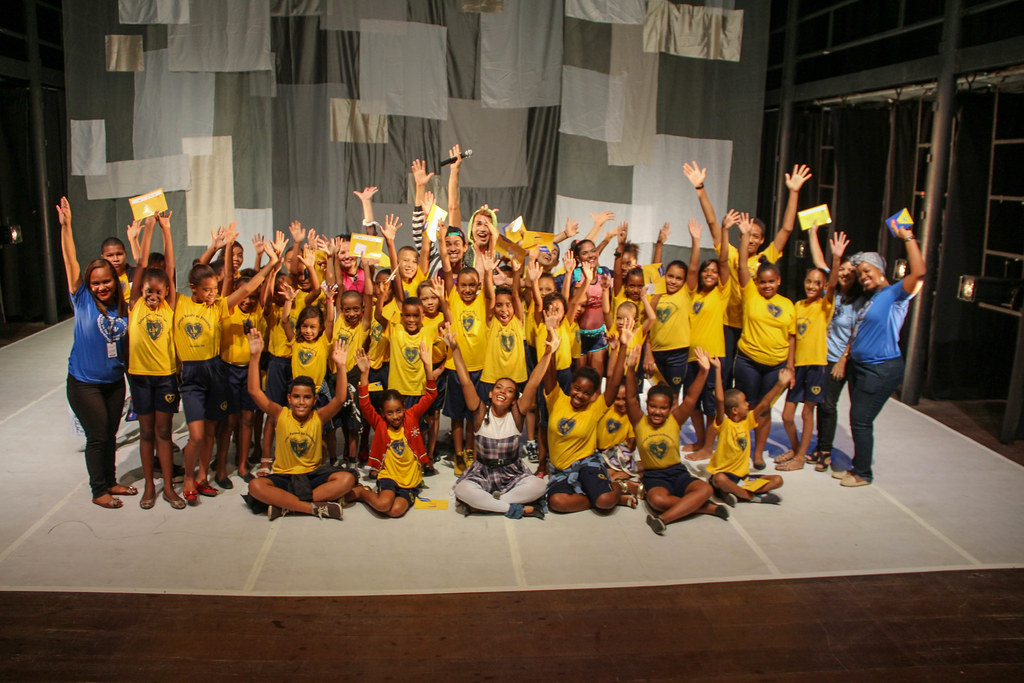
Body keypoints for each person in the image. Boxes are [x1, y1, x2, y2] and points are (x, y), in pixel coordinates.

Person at [174, 228, 278, 502]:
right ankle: (192, 477)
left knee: (211, 430)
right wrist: (220, 247)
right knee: (199, 433)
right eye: (207, 290)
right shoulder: (180, 303)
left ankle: (203, 477)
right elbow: (198, 271)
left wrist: (272, 264)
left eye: (214, 290)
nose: (212, 294)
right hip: (196, 374)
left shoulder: (218, 306)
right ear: (193, 288)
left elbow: (247, 287)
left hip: (216, 372)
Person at [830, 225, 925, 487]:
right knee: (858, 419)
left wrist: (907, 237)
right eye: (860, 274)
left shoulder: (895, 294)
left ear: (881, 270)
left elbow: (919, 272)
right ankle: (857, 466)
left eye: (867, 271)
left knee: (861, 420)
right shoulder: (872, 298)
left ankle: (863, 474)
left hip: (880, 369)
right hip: (860, 367)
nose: (863, 277)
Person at [58, 197, 132, 509]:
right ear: (88, 285)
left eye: (106, 282)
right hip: (84, 383)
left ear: (115, 281)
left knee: (111, 434)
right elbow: (70, 261)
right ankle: (98, 489)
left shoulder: (122, 306)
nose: (102, 287)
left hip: (114, 382)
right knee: (98, 436)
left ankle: (111, 480)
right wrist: (66, 227)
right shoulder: (82, 299)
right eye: (96, 283)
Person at [443, 323, 553, 519]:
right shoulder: (480, 413)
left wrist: (548, 353)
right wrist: (455, 348)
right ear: (491, 393)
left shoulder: (516, 415)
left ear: (514, 399)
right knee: (462, 489)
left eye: (509, 391)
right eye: (499, 388)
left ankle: (490, 504)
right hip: (483, 471)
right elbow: (466, 380)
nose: (503, 392)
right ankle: (511, 507)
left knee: (539, 485)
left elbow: (533, 382)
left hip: (512, 471)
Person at [245, 330, 357, 520]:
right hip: (285, 476)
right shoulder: (280, 414)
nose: (301, 402)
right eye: (296, 397)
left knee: (347, 479)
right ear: (289, 398)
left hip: (313, 475)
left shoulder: (318, 416)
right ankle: (312, 508)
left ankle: (286, 505)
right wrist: (255, 357)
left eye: (307, 397)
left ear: (314, 400)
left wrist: (341, 366)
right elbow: (255, 391)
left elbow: (339, 398)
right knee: (255, 486)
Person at [625, 347, 728, 535]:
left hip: (677, 472)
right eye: (653, 407)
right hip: (654, 477)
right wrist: (631, 369)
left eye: (663, 408)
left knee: (705, 489)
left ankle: (663, 519)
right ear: (647, 405)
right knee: (657, 501)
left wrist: (704, 371)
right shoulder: (639, 421)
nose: (657, 412)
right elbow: (631, 397)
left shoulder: (675, 420)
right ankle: (706, 508)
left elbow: (691, 398)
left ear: (669, 408)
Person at [538, 314, 633, 514]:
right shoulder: (556, 399)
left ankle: (619, 490)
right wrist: (550, 342)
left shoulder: (595, 408)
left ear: (592, 395)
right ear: (572, 386)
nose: (580, 395)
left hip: (586, 463)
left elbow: (614, 384)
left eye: (586, 393)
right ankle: (596, 497)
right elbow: (549, 374)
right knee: (556, 503)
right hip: (561, 469)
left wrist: (623, 347)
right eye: (577, 389)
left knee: (605, 501)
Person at [125, 212, 185, 510]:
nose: (153, 295)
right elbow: (141, 266)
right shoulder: (134, 306)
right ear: (140, 291)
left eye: (158, 292)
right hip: (140, 377)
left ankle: (169, 487)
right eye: (148, 290)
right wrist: (148, 230)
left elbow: (170, 269)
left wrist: (167, 229)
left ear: (166, 292)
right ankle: (150, 485)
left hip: (165, 377)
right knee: (146, 432)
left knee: (164, 432)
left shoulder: (169, 308)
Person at [776, 231, 846, 471]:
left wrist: (836, 259)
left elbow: (834, 283)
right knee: (787, 415)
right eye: (809, 282)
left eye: (817, 283)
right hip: (799, 367)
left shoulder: (825, 305)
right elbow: (793, 337)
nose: (812, 286)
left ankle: (799, 458)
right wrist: (790, 366)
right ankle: (797, 450)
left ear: (823, 286)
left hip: (817, 366)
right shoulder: (798, 305)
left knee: (807, 413)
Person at [734, 213, 797, 470]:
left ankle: (758, 454)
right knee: (746, 407)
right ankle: (741, 450)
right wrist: (744, 236)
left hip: (775, 365)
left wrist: (790, 365)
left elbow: (792, 337)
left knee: (766, 408)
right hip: (748, 361)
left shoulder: (788, 305)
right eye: (763, 282)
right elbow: (741, 265)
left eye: (772, 281)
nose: (767, 286)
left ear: (778, 281)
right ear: (756, 282)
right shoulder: (751, 294)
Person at [351, 346, 437, 518]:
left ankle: (379, 494)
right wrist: (364, 374)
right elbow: (365, 405)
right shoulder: (380, 424)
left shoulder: (411, 416)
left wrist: (428, 366)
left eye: (398, 411)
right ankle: (361, 492)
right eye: (389, 413)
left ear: (404, 407)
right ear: (383, 413)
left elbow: (430, 396)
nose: (395, 416)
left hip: (410, 480)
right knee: (383, 505)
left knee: (395, 511)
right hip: (388, 475)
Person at [807, 224, 862, 473]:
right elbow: (819, 261)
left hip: (838, 359)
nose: (845, 274)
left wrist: (843, 359)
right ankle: (821, 446)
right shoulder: (833, 291)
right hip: (821, 356)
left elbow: (856, 333)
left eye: (851, 271)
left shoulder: (859, 301)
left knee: (828, 404)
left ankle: (826, 450)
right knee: (821, 402)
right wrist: (812, 233)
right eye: (842, 270)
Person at [707, 358, 788, 505]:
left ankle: (733, 492)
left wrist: (780, 384)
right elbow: (720, 400)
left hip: (742, 478)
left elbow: (764, 403)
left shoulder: (747, 422)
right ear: (735, 410)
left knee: (778, 480)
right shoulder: (724, 424)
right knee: (720, 479)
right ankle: (751, 496)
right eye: (744, 402)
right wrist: (718, 370)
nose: (748, 404)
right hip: (724, 475)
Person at [682, 218, 731, 460]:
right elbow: (691, 270)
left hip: (712, 356)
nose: (710, 274)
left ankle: (708, 447)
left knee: (710, 406)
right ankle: (700, 440)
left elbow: (725, 261)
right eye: (706, 270)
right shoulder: (693, 293)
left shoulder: (721, 293)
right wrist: (696, 241)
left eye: (714, 271)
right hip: (692, 356)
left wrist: (724, 231)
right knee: (691, 402)